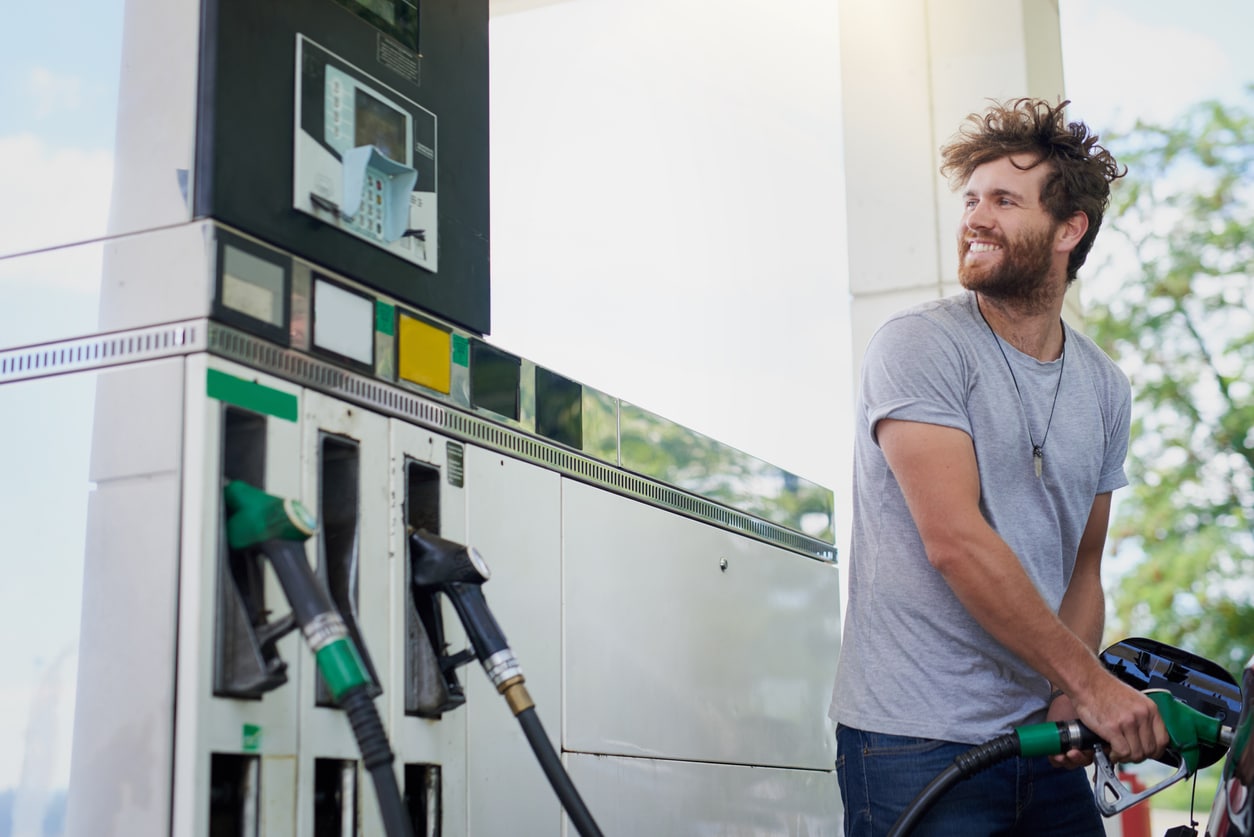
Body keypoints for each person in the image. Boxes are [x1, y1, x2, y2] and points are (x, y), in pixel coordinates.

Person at [829, 97, 1170, 836]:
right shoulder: (919, 346)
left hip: (1043, 744)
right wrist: (1093, 683)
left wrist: (1066, 696)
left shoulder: (1105, 388)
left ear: (1068, 230)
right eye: (972, 198)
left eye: (1004, 201)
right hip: (911, 742)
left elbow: (1082, 568)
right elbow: (955, 539)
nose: (976, 216)